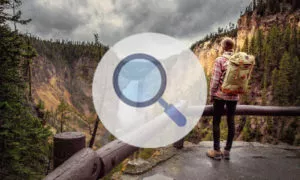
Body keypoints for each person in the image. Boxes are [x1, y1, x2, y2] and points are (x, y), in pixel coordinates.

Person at [207, 37, 238, 160]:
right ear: (232, 47)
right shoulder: (239, 60)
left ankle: (216, 151)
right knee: (231, 121)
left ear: (223, 47)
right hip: (234, 95)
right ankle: (227, 151)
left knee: (216, 122)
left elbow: (215, 80)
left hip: (220, 96)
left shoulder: (220, 60)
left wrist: (212, 94)